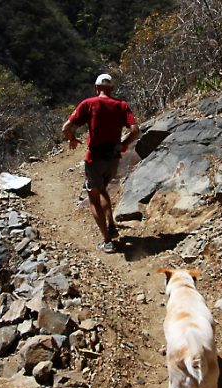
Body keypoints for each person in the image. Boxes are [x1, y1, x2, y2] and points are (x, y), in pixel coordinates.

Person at [62, 73, 140, 253]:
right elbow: (135, 130)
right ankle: (111, 225)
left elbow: (66, 127)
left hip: (94, 158)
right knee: (103, 189)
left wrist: (72, 139)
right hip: (113, 158)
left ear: (96, 88)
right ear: (112, 89)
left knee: (93, 198)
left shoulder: (88, 104)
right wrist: (123, 144)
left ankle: (107, 241)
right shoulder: (121, 105)